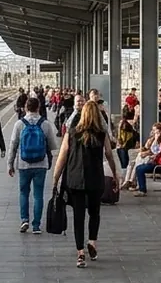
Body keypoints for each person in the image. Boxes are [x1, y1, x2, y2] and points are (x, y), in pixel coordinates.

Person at [50, 99, 120, 268]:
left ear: (82, 114)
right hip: (96, 179)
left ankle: (80, 253)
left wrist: (55, 178)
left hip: (76, 179)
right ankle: (92, 242)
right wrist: (115, 174)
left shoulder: (72, 132)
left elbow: (62, 156)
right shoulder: (101, 133)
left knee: (78, 216)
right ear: (97, 115)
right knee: (95, 213)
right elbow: (109, 154)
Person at [8, 97, 59, 234]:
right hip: (41, 165)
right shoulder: (45, 124)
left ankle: (24, 220)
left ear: (26, 108)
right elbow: (53, 146)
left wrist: (10, 164)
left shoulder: (19, 124)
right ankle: (36, 225)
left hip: (23, 164)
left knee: (24, 193)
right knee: (38, 195)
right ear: (38, 107)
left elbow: (13, 145)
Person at [114, 106, 138, 171]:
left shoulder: (122, 123)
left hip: (122, 145)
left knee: (123, 165)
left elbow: (120, 134)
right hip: (125, 145)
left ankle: (124, 172)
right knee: (125, 165)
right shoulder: (127, 124)